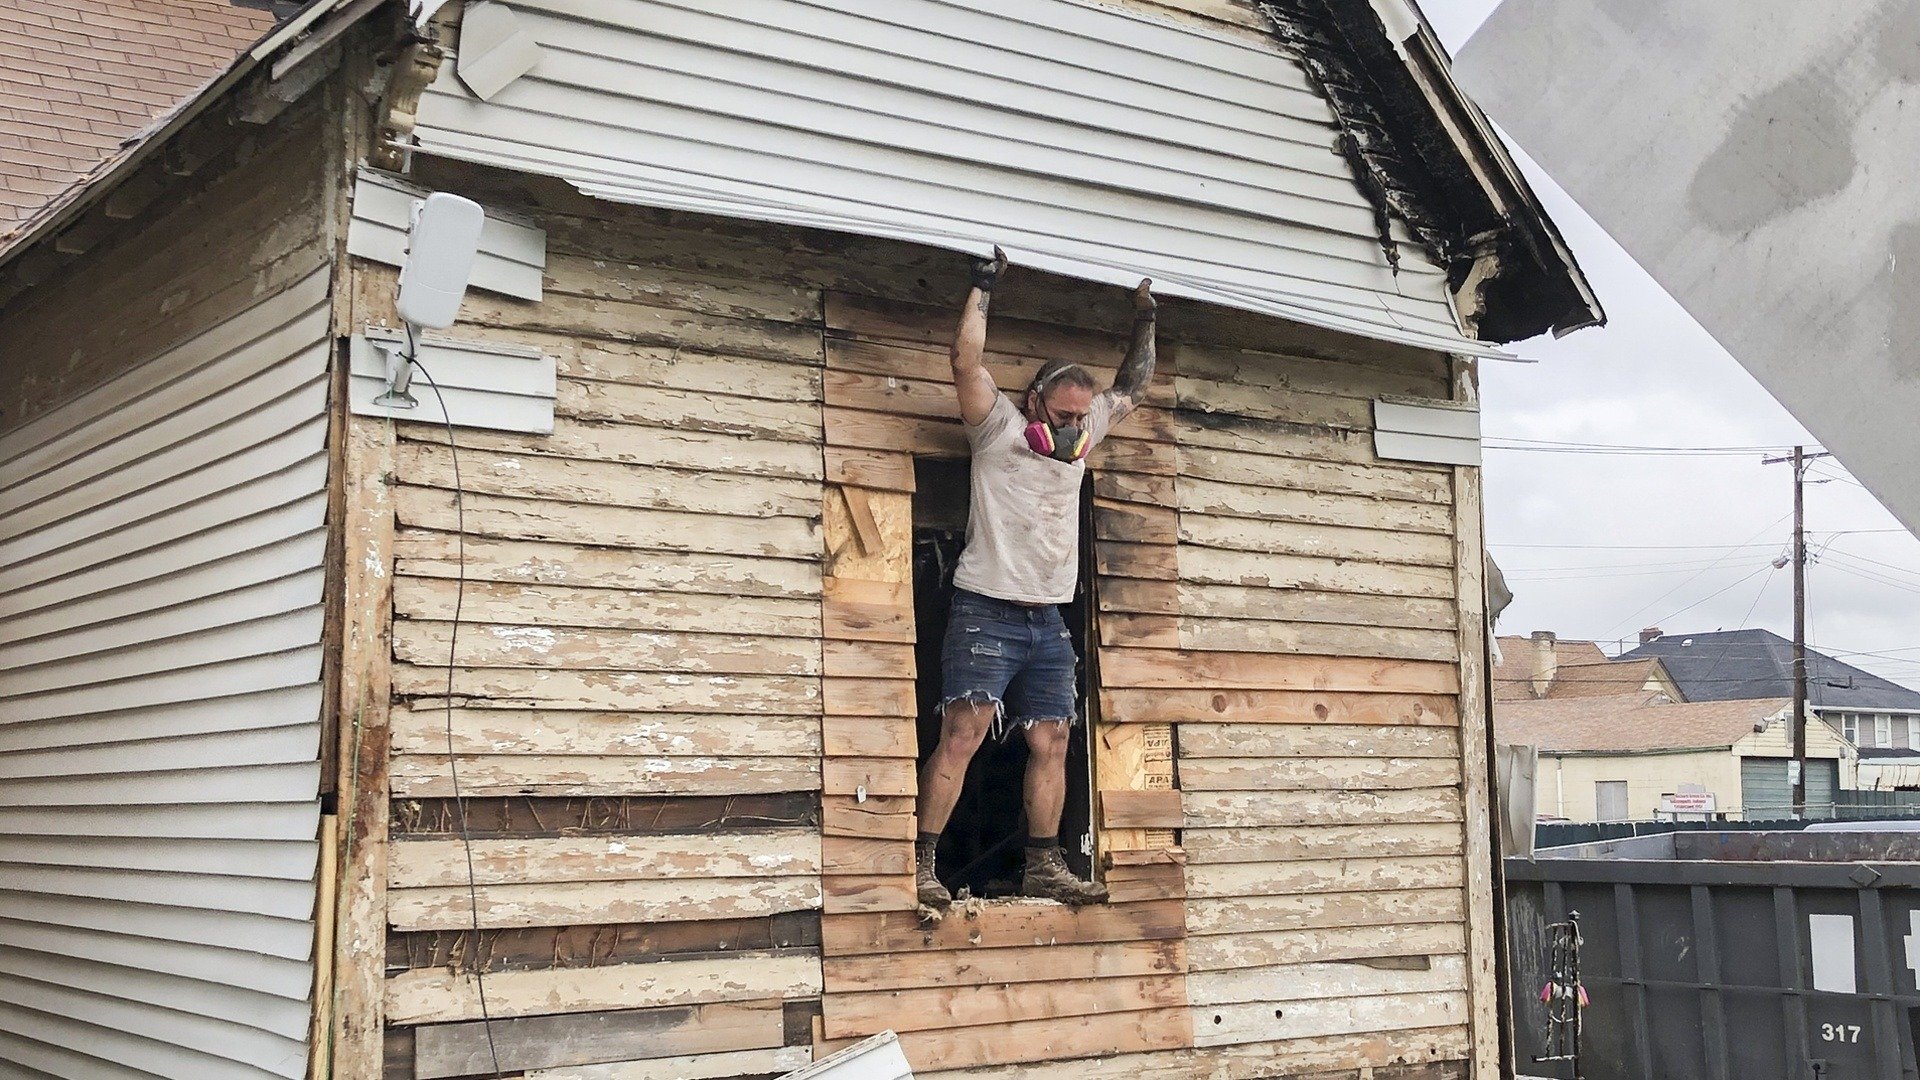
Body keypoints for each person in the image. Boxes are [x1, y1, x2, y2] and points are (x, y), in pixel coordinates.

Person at [914, 247, 1157, 909]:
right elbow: (965, 361)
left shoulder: (1085, 432)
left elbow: (1133, 387)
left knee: (1053, 739)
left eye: (1081, 418)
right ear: (1034, 403)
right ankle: (923, 864)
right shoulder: (997, 428)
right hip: (985, 608)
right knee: (963, 735)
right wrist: (983, 284)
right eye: (1063, 416)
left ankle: (1044, 869)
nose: (1075, 428)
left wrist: (1147, 317)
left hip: (1047, 619)